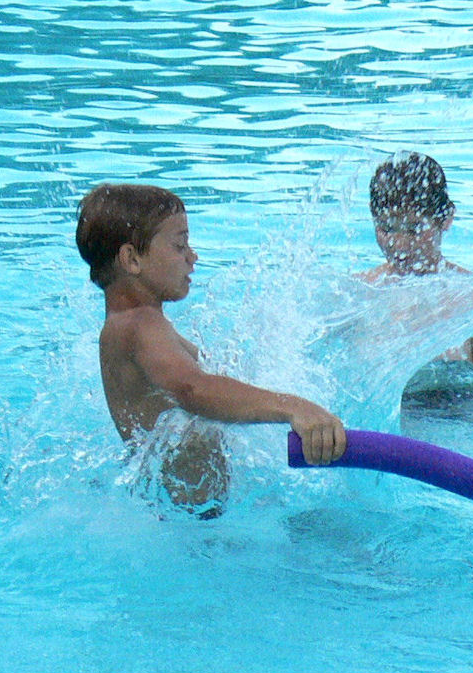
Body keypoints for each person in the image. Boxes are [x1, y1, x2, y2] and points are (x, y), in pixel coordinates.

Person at [78, 182, 346, 511]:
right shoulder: (139, 325)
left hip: (183, 513)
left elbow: (210, 382)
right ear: (132, 259)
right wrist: (295, 407)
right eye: (180, 245)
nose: (193, 257)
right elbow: (194, 389)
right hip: (194, 522)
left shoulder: (135, 325)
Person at [360, 153, 473, 366]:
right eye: (387, 228)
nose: (400, 244)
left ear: (446, 219)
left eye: (414, 229)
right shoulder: (356, 294)